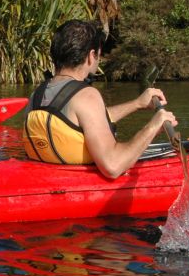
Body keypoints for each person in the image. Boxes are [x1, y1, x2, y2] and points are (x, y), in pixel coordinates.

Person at [23, 19, 177, 179]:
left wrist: (137, 104)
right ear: (91, 55)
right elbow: (112, 166)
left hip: (52, 180)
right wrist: (153, 126)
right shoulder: (87, 95)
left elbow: (83, 121)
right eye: (99, 54)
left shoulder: (38, 94)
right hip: (79, 188)